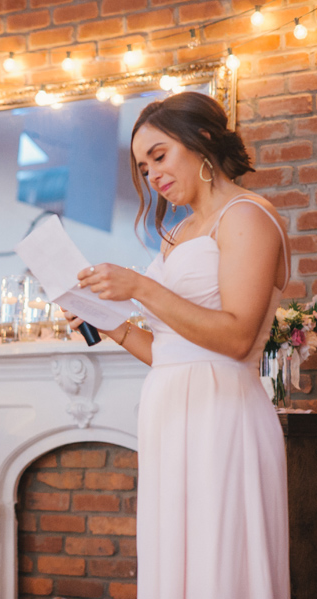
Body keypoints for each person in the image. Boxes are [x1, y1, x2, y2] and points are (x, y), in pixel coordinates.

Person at [67, 92, 290, 598]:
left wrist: (140, 287)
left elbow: (234, 338)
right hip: (168, 414)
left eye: (159, 156)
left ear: (202, 140)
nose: (153, 176)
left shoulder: (248, 216)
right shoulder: (177, 232)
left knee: (222, 565)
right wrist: (110, 323)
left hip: (223, 415)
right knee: (177, 567)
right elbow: (168, 351)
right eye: (143, 168)